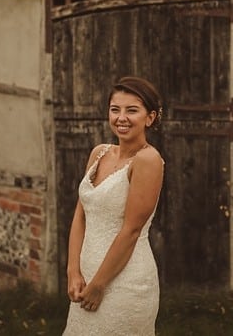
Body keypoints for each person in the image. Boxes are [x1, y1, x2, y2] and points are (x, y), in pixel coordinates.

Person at [63, 76, 165, 335]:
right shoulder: (99, 153)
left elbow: (131, 230)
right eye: (115, 109)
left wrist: (99, 285)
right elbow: (80, 215)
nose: (121, 117)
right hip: (86, 278)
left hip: (123, 282)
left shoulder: (148, 160)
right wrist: (73, 271)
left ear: (149, 118)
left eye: (132, 110)